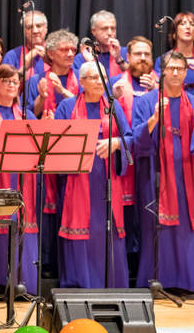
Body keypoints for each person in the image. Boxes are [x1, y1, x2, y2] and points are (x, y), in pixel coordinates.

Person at [133, 51, 194, 293]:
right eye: (171, 68)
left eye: (181, 68)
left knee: (189, 229)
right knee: (158, 230)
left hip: (189, 178)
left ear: (186, 73)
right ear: (162, 71)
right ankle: (156, 281)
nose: (176, 72)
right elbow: (136, 142)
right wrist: (153, 120)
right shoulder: (146, 102)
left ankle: (189, 283)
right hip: (156, 177)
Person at [55, 62, 132, 288]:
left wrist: (116, 142)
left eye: (102, 77)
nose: (100, 81)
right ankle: (80, 286)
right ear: (82, 82)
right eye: (94, 77)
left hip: (106, 180)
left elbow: (129, 137)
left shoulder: (113, 106)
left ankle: (112, 286)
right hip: (77, 180)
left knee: (106, 230)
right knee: (82, 232)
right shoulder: (67, 107)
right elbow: (57, 142)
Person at [26, 29, 79, 278]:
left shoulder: (82, 77)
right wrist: (43, 97)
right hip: (43, 149)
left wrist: (65, 93)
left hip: (73, 150)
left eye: (73, 50)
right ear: (50, 53)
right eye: (64, 50)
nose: (70, 54)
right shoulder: (36, 78)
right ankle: (45, 262)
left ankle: (65, 262)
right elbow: (28, 114)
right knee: (45, 206)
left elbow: (89, 107)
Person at [0, 65, 38, 294]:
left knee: (21, 226)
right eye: (6, 81)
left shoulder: (24, 113)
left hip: (21, 180)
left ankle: (20, 283)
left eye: (16, 81)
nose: (13, 85)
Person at [110, 36, 159, 270]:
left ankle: (148, 266)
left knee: (150, 213)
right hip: (125, 158)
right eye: (137, 54)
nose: (142, 58)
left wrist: (157, 94)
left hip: (153, 158)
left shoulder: (163, 85)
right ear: (127, 58)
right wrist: (114, 97)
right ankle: (127, 264)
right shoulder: (115, 84)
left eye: (146, 54)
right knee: (127, 213)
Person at [154, 12, 194, 97]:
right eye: (182, 24)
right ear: (174, 34)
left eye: (192, 24)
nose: (188, 27)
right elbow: (158, 89)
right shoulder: (163, 59)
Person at [73, 10, 128, 77]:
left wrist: (118, 59)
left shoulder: (126, 52)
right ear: (93, 31)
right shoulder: (81, 57)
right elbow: (80, 84)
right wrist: (91, 63)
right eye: (104, 28)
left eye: (113, 28)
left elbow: (136, 77)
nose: (110, 33)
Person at [3, 11, 49, 77]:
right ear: (24, 31)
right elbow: (5, 84)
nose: (35, 31)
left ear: (46, 29)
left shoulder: (56, 53)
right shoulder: (12, 55)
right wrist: (25, 66)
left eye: (39, 26)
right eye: (29, 27)